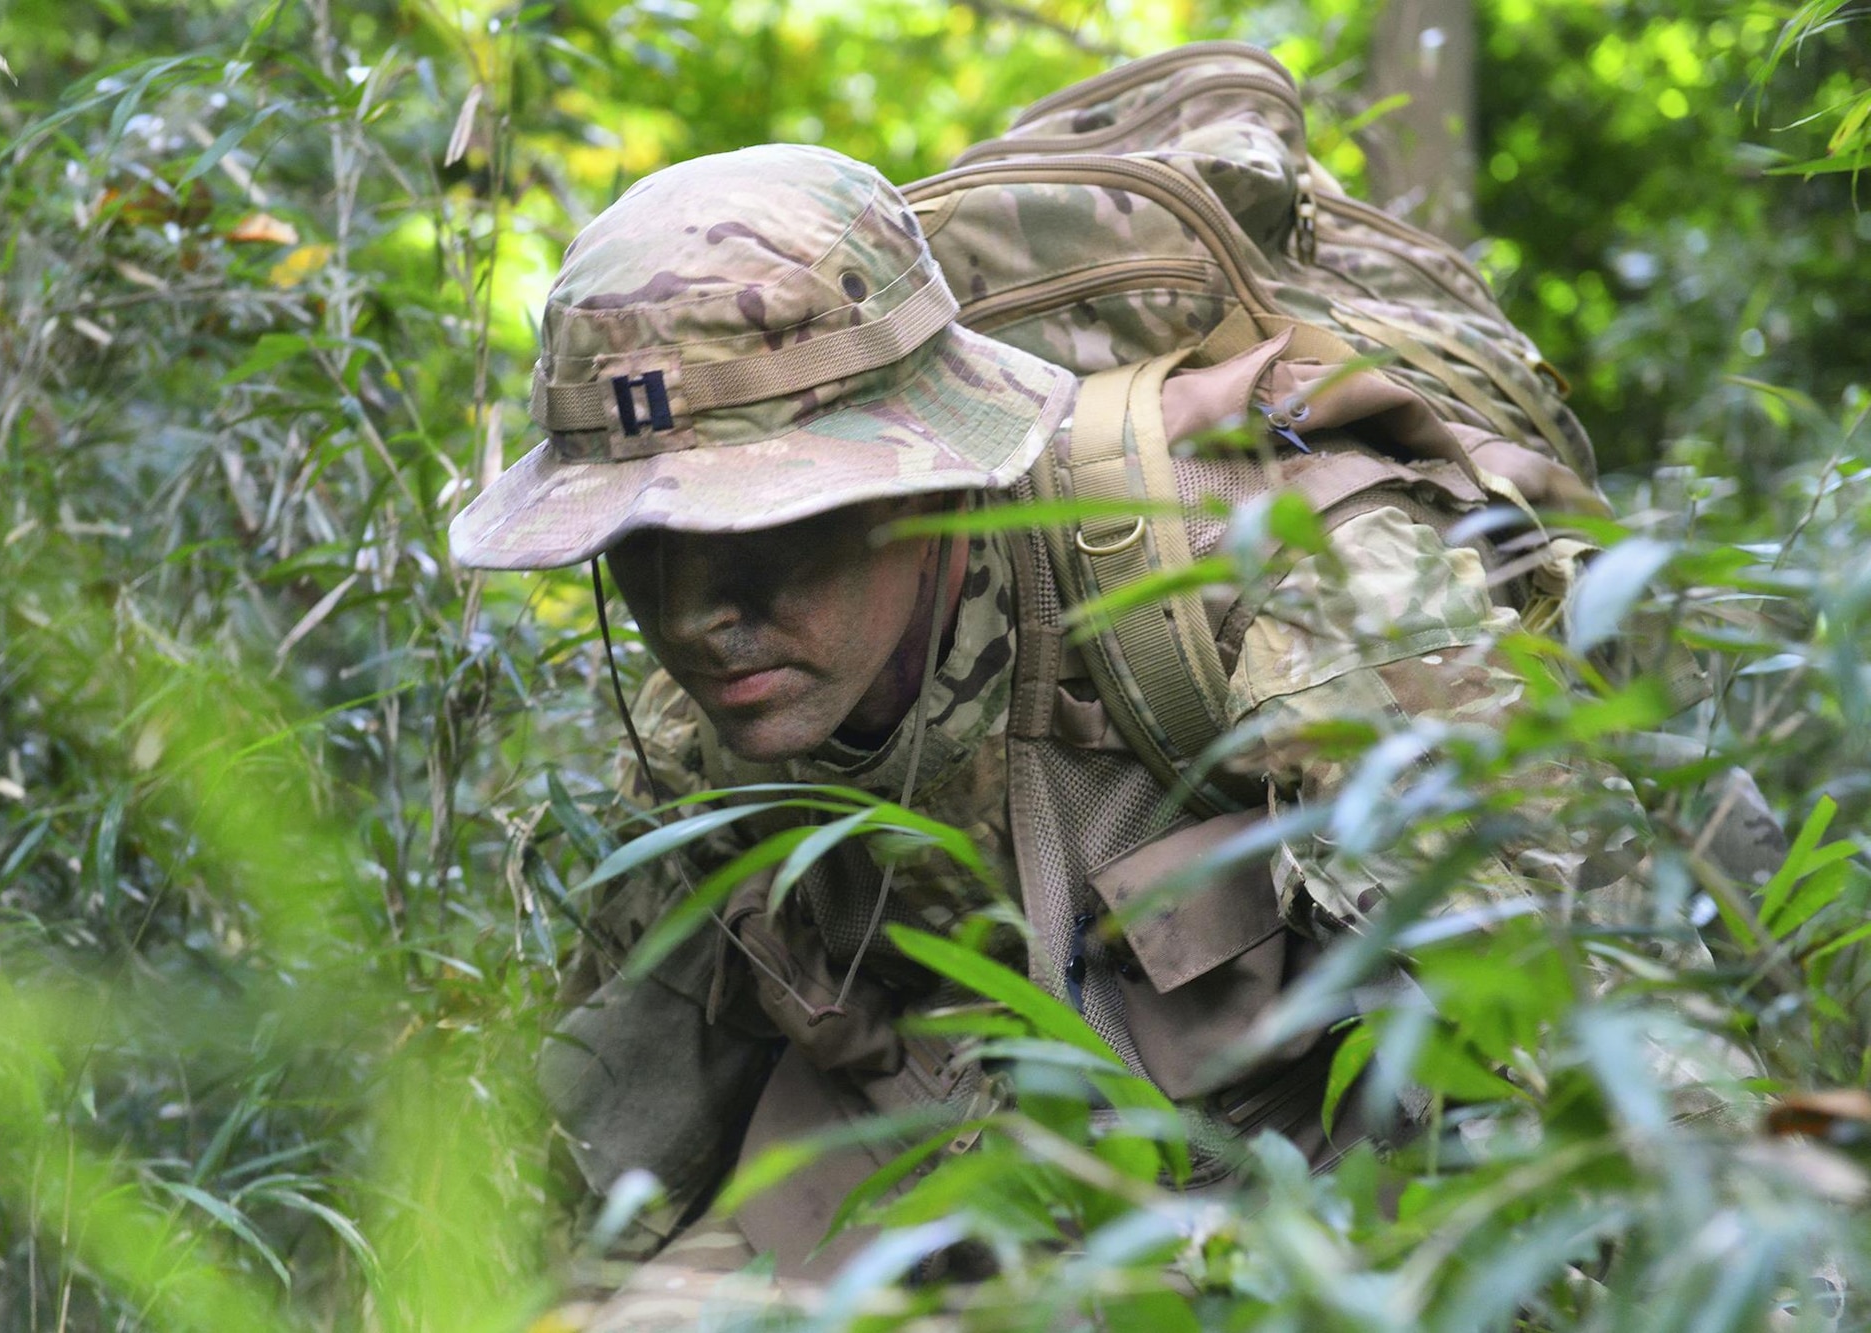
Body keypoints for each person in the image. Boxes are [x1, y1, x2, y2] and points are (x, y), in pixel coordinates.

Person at [449, 142, 1719, 1328]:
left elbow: (1629, 1059)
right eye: (635, 547)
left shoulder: (1279, 580)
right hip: (952, 1171)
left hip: (1313, 1202)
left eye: (755, 528)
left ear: (924, 473)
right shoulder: (708, 738)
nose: (694, 617)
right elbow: (584, 1168)